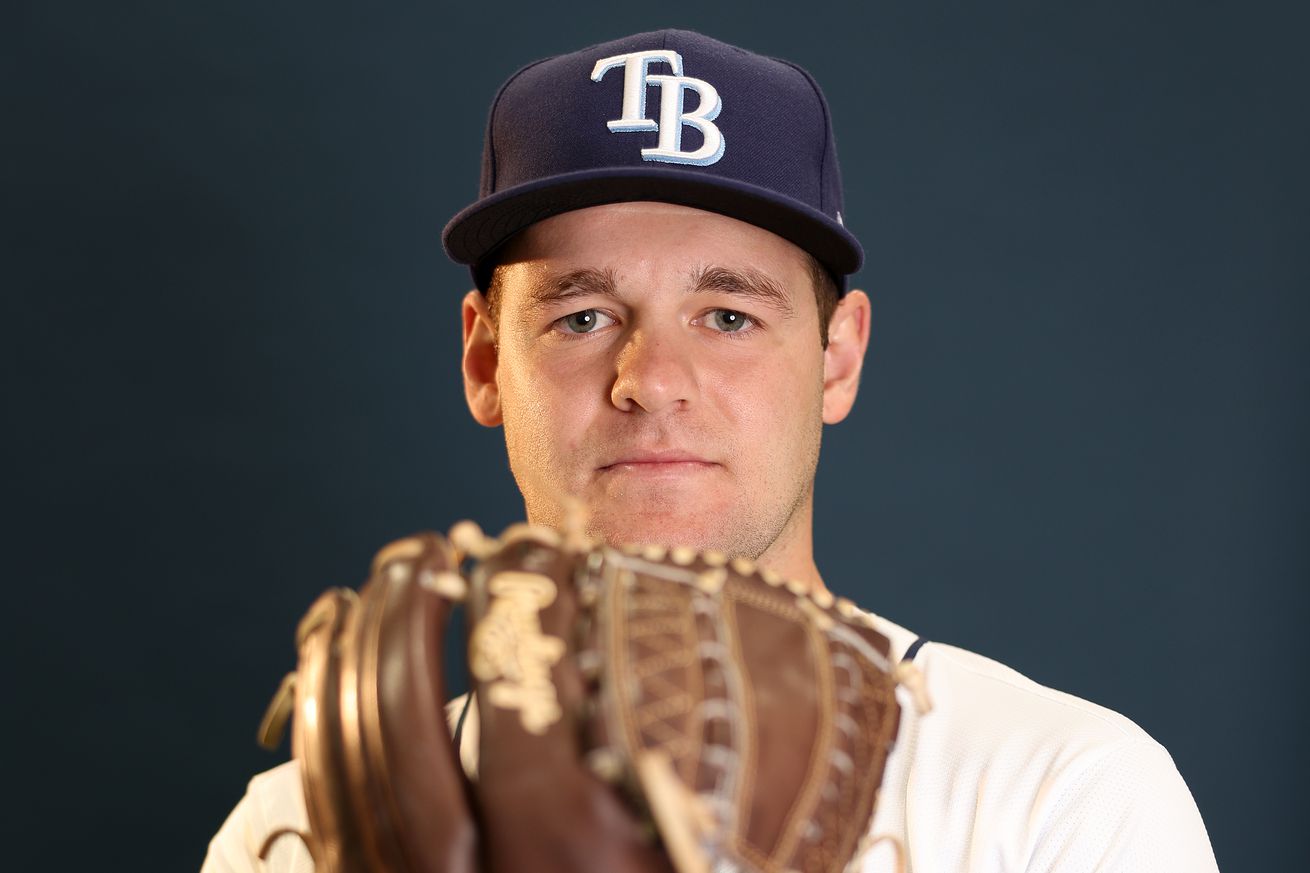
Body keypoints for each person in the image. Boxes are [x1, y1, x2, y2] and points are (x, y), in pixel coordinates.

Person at [203, 29, 1220, 872]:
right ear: (482, 361)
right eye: (583, 315)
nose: (652, 376)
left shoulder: (1060, 797)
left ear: (835, 359)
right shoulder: (301, 832)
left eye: (727, 315)